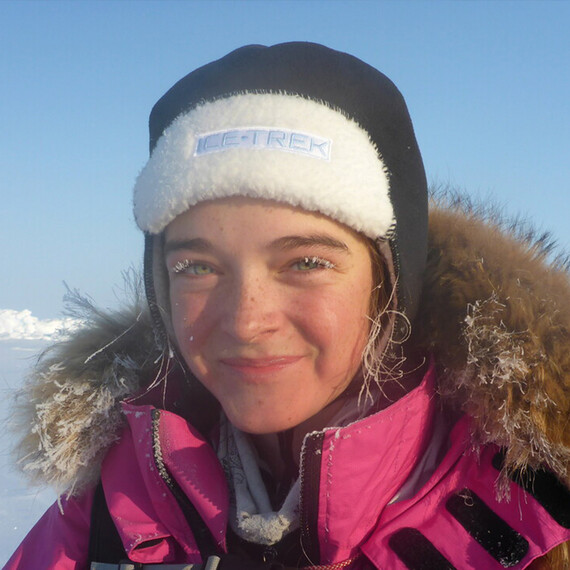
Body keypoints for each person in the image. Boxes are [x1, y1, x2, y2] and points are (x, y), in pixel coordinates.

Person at [5, 42, 570, 570]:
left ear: (391, 284)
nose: (247, 321)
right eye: (197, 267)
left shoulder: (540, 513)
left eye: (306, 262)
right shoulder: (112, 505)